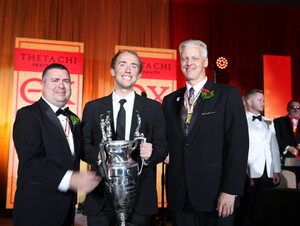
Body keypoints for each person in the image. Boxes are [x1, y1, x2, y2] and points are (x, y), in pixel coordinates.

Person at [162, 40, 249, 226]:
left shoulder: (227, 95)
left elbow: (238, 145)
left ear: (206, 62)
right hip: (180, 196)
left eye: (194, 58)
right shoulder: (169, 101)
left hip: (216, 195)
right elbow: (166, 142)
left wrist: (230, 190)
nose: (189, 62)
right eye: (184, 58)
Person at [82, 50, 167, 226]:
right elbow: (83, 146)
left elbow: (163, 148)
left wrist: (152, 153)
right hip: (100, 198)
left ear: (140, 74)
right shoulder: (93, 108)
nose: (128, 69)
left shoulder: (154, 109)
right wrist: (100, 155)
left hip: (139, 198)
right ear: (113, 70)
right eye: (122, 64)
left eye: (133, 66)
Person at [12, 63, 101, 226]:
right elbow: (31, 162)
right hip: (36, 209)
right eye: (55, 80)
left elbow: (81, 151)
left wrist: (101, 154)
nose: (61, 85)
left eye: (66, 81)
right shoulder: (27, 115)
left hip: (66, 208)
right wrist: (70, 178)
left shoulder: (74, 118)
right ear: (42, 84)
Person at [243, 89, 281, 226]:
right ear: (249, 101)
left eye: (263, 100)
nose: (263, 103)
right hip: (250, 170)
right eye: (260, 100)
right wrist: (245, 171)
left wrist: (276, 169)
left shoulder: (268, 121)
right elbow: (241, 149)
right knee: (248, 207)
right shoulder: (240, 120)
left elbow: (273, 147)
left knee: (265, 206)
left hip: (267, 170)